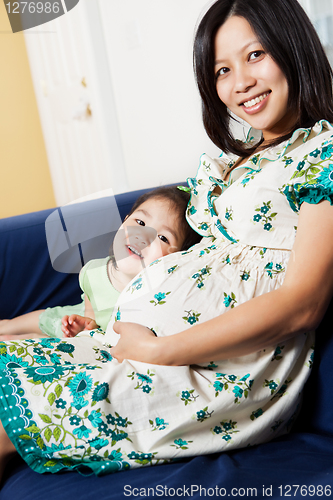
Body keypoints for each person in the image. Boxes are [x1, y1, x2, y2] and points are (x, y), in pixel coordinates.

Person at [0, 0, 333, 481]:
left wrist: (160, 350)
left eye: (256, 55)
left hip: (216, 371)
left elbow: (302, 305)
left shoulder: (320, 156)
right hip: (139, 341)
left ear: (294, 47)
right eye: (222, 69)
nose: (239, 82)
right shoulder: (233, 162)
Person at [0, 187, 200, 341]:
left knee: (41, 338)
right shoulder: (94, 271)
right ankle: (8, 327)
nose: (142, 237)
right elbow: (89, 312)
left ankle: (22, 337)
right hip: (74, 320)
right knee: (43, 319)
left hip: (95, 339)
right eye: (139, 223)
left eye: (163, 238)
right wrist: (86, 323)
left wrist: (89, 331)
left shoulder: (159, 294)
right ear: (125, 221)